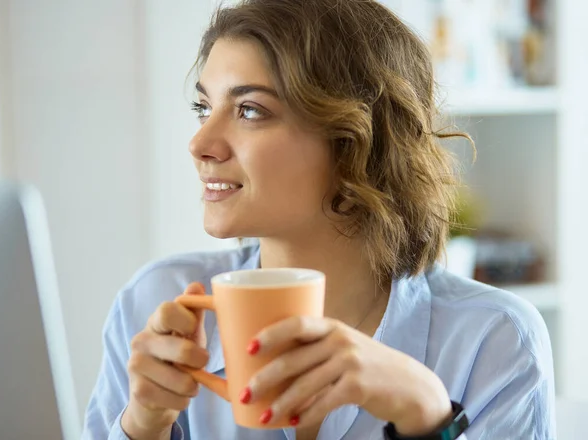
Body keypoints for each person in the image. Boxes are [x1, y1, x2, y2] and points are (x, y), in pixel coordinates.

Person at [82, 0, 555, 439]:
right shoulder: (158, 304)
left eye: (249, 110)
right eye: (204, 107)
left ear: (356, 140)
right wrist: (141, 426)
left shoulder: (493, 341)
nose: (200, 143)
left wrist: (428, 416)